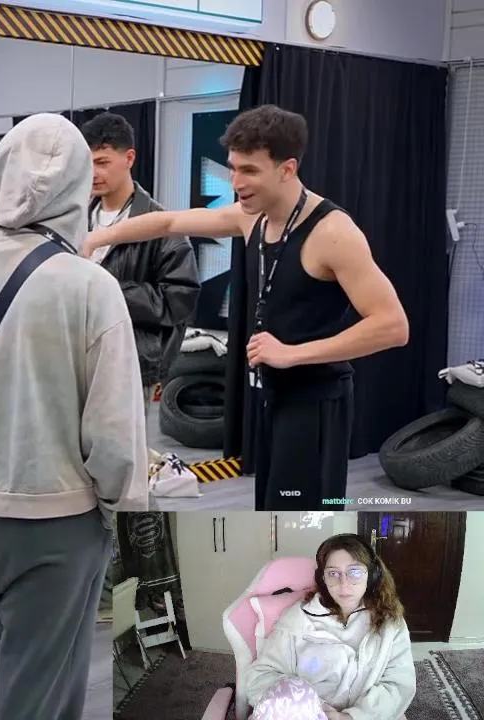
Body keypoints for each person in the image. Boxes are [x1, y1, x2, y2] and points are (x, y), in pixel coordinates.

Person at [0, 113, 148, 720]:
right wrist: (124, 517)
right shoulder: (90, 287)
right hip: (60, 520)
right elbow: (115, 434)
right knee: (39, 690)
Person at [82, 104, 409, 511]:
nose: (236, 182)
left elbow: (392, 325)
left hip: (315, 404)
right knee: (272, 506)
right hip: (271, 395)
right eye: (233, 169)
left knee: (301, 512)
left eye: (250, 171)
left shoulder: (333, 233)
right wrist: (96, 239)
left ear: (287, 169)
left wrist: (292, 354)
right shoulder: (252, 217)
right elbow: (168, 223)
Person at [81, 112, 201, 407]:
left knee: (123, 439)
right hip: (76, 360)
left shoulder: (160, 225)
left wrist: (106, 290)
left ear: (130, 158)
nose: (93, 173)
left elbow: (178, 299)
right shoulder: (75, 219)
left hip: (131, 366)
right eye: (87, 163)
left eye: (102, 162)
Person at [245, 534, 414, 720]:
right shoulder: (298, 619)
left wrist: (350, 717)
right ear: (323, 578)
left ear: (372, 575)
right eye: (333, 573)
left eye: (354, 572)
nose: (344, 583)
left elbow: (398, 685)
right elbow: (260, 676)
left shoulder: (390, 623)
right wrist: (307, 706)